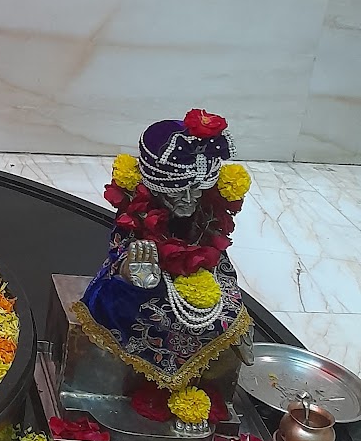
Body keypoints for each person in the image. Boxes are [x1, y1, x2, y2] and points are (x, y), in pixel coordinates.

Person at [75, 110, 253, 388]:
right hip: (147, 270)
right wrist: (129, 269)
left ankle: (210, 375)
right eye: (178, 191)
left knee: (225, 310)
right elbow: (121, 247)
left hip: (197, 269)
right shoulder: (140, 210)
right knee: (139, 303)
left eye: (196, 190)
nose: (188, 199)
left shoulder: (204, 210)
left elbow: (215, 253)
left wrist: (231, 307)